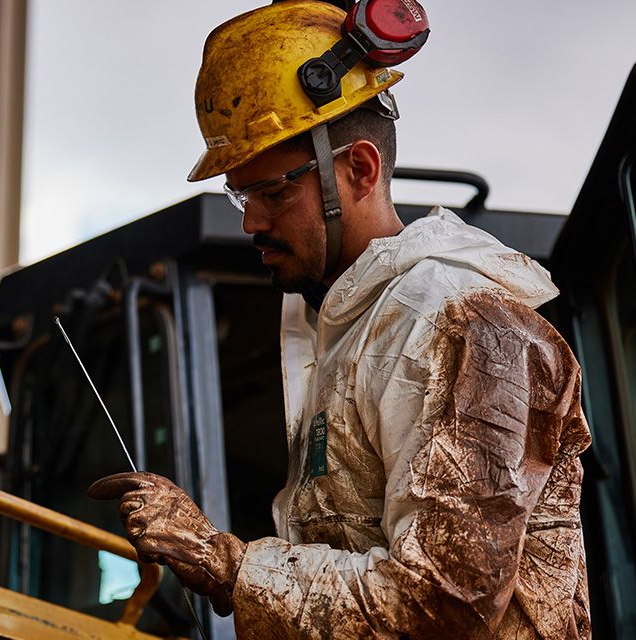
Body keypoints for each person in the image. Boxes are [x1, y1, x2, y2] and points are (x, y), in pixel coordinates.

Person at [87, 1, 593, 637]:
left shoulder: (463, 322)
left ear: (359, 170)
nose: (251, 222)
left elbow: (447, 598)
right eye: (242, 194)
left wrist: (227, 565)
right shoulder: (344, 327)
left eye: (274, 192)